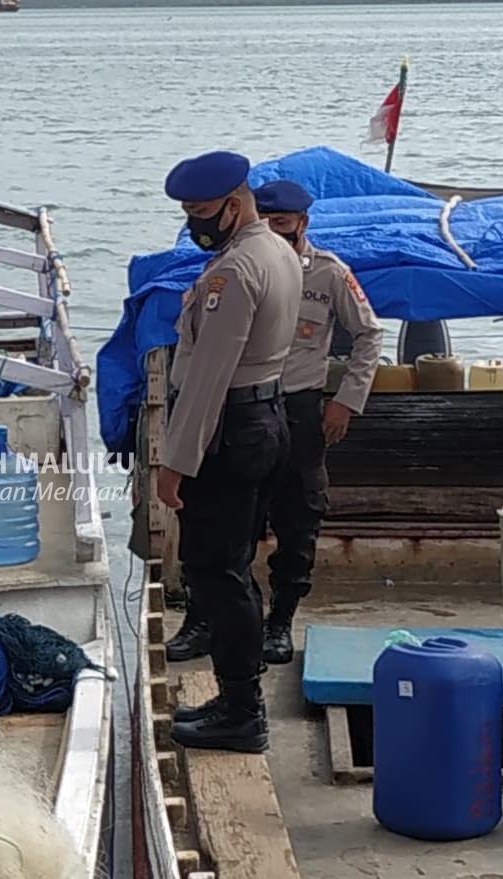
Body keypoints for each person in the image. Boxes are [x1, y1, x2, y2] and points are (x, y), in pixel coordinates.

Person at [166, 180, 385, 667]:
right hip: (242, 409)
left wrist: (346, 400)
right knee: (224, 521)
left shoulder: (328, 274)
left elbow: (369, 334)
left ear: (303, 224)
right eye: (266, 221)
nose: (272, 231)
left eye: (282, 224)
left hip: (299, 407)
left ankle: (281, 619)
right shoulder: (234, 264)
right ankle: (204, 620)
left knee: (297, 512)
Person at [156, 151, 301, 754]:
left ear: (235, 205)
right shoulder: (277, 252)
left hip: (230, 427)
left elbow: (210, 375)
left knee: (216, 570)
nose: (196, 222)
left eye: (202, 211)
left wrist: (174, 461)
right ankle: (235, 700)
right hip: (264, 418)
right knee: (234, 565)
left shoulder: (235, 272)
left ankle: (243, 712)